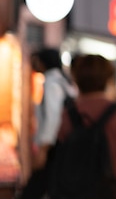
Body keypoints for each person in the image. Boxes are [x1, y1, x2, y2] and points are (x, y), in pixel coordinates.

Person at [55, 54, 116, 199]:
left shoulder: (66, 114)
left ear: (77, 79)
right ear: (108, 79)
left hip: (72, 192)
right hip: (113, 193)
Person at [20, 48, 76, 199]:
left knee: (33, 190)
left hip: (53, 147)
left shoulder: (52, 82)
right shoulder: (62, 81)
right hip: (59, 146)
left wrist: (44, 150)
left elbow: (53, 118)